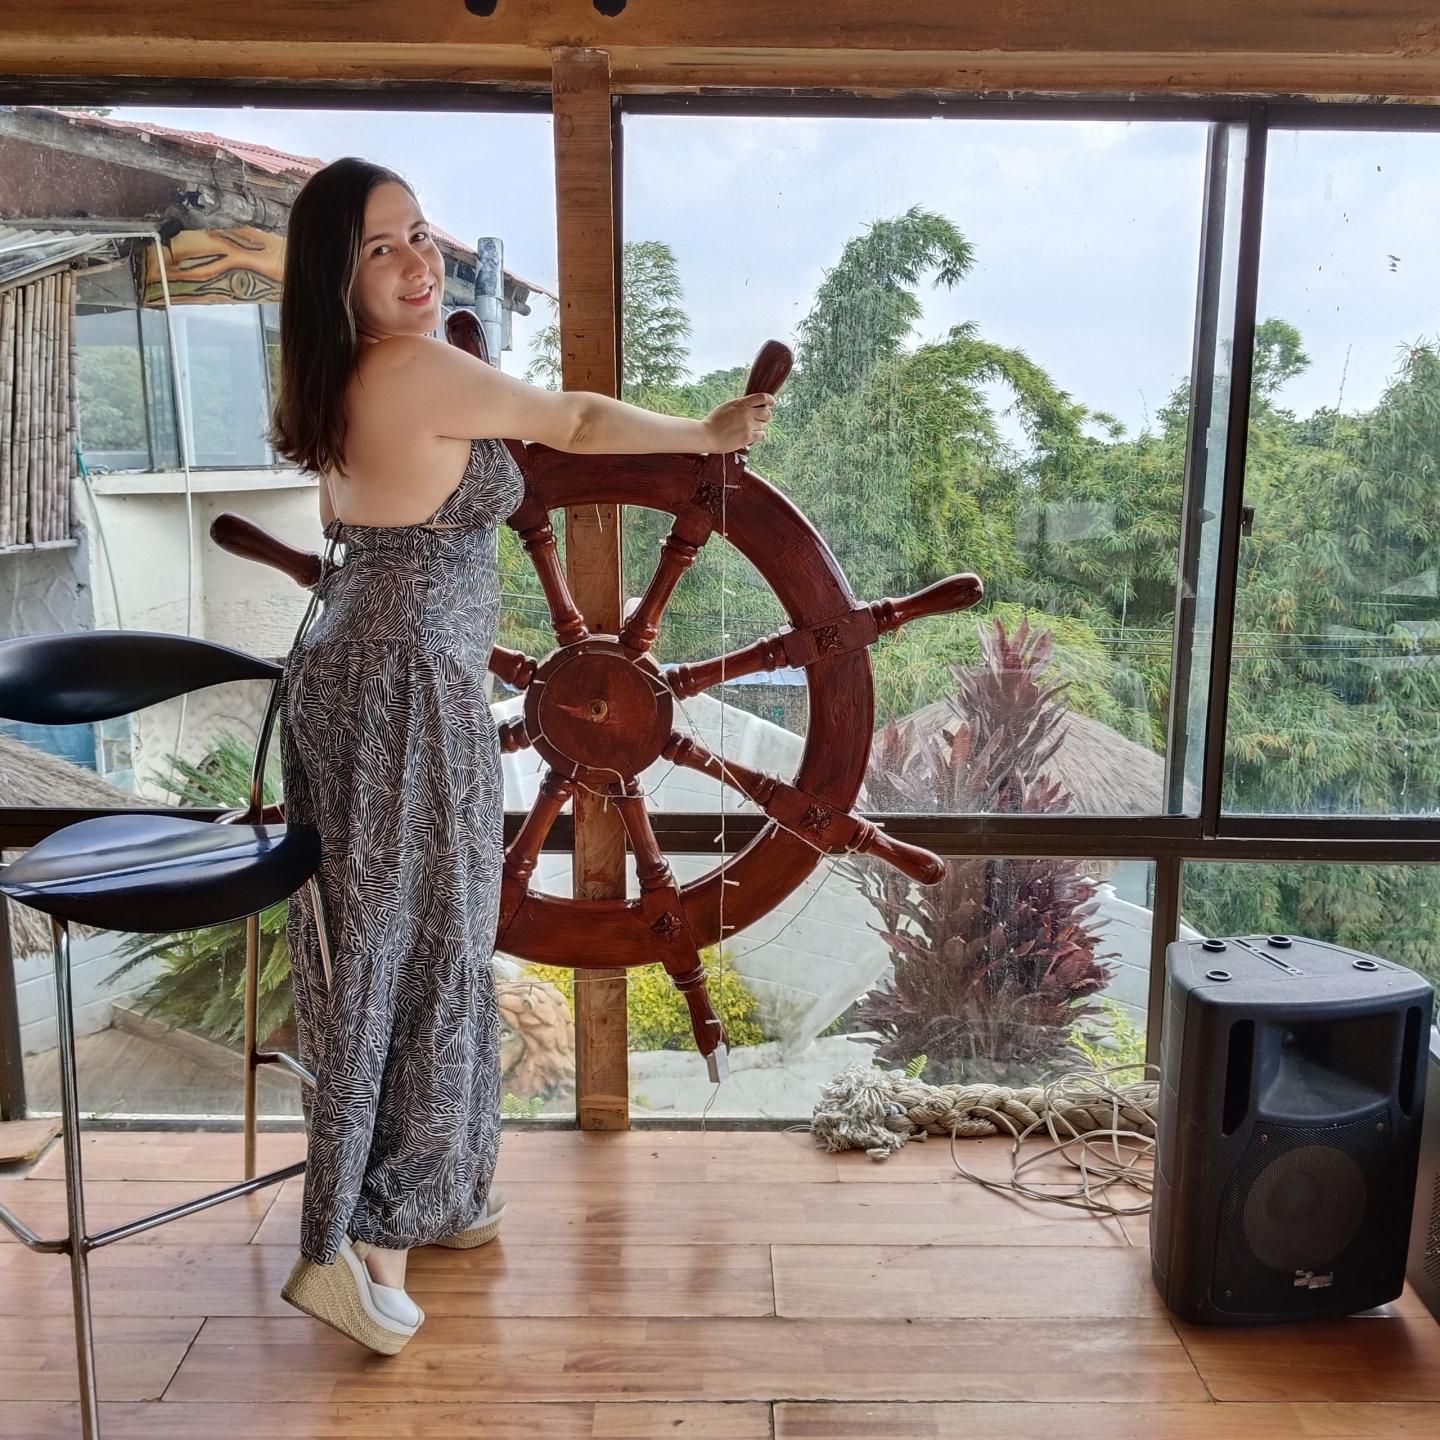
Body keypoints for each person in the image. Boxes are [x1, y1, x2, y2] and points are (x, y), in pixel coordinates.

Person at [264, 156, 771, 1354]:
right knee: (421, 948)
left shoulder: (336, 378)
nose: (415, 260)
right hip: (403, 688)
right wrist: (704, 431)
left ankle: (429, 1193)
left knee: (377, 939)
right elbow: (577, 423)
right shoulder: (411, 368)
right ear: (336, 277)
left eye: (418, 232)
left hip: (353, 672)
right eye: (380, 247)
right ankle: (362, 1249)